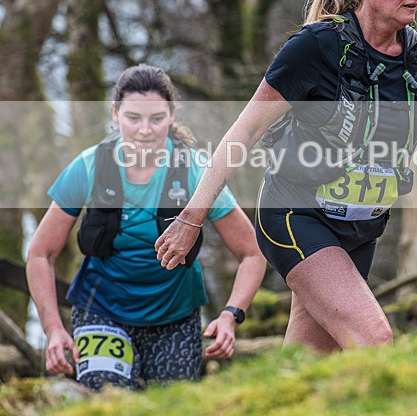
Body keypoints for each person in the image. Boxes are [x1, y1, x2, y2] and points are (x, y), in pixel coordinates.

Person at [155, 0, 417, 352]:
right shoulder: (317, 46)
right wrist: (192, 218)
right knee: (374, 339)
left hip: (361, 228)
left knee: (310, 364)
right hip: (296, 215)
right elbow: (244, 132)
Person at [26, 64, 266, 390]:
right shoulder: (90, 166)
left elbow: (252, 253)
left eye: (156, 119)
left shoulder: (195, 171)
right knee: (110, 401)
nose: (145, 130)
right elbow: (41, 253)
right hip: (101, 312)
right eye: (133, 118)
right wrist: (53, 327)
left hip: (175, 317)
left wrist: (229, 316)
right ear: (115, 114)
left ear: (171, 115)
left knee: (171, 410)